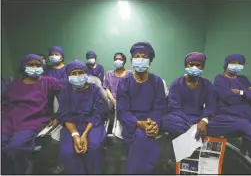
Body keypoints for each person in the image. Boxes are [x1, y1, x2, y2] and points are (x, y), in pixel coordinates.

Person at [1, 54, 62, 174]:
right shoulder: (15, 84)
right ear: (23, 66)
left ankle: (23, 170)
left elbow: (66, 97)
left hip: (32, 120)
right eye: (30, 64)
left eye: (38, 65)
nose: (34, 67)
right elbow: (4, 102)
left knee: (15, 148)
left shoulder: (49, 82)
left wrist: (59, 116)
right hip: (8, 120)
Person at [206, 54, 251, 173]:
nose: (237, 66)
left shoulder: (243, 79)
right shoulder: (220, 79)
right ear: (226, 65)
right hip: (234, 117)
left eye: (240, 63)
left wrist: (240, 92)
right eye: (234, 62)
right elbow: (228, 97)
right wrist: (247, 94)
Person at [116, 42, 167, 174]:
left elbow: (159, 106)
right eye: (137, 56)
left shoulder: (157, 82)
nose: (140, 59)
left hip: (151, 121)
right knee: (141, 139)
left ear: (150, 61)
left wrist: (153, 124)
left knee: (145, 139)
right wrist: (139, 124)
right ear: (132, 60)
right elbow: (122, 111)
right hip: (132, 122)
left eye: (144, 56)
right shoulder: (124, 82)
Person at [57, 60, 106, 174]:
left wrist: (84, 134)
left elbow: (97, 112)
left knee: (94, 148)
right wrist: (75, 135)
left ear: (86, 74)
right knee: (68, 152)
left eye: (80, 72)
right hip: (72, 125)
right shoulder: (65, 91)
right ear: (69, 75)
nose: (78, 76)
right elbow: (65, 114)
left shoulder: (95, 90)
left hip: (92, 124)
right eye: (74, 73)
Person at [161, 52, 215, 142]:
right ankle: (195, 132)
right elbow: (174, 108)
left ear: (203, 67)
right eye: (191, 64)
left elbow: (211, 106)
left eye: (198, 65)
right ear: (186, 66)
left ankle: (193, 132)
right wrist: (190, 123)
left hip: (199, 117)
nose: (194, 67)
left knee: (218, 122)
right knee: (164, 120)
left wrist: (204, 120)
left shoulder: (207, 84)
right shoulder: (177, 84)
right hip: (180, 118)